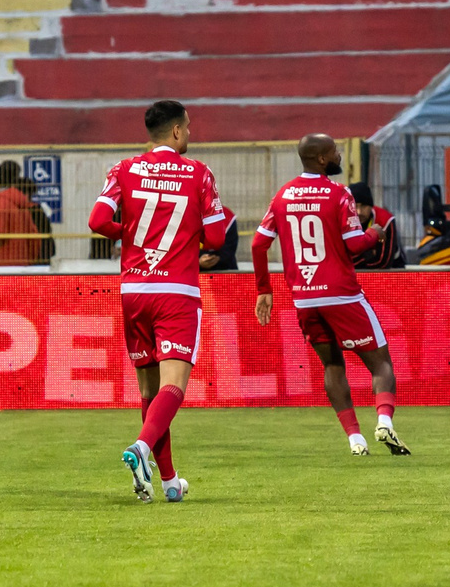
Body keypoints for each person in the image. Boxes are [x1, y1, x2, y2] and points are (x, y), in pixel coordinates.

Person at [87, 98, 233, 503]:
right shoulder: (198, 173)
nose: (191, 132)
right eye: (188, 126)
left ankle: (168, 481)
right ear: (176, 131)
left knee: (150, 389)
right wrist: (187, 236)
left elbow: (98, 221)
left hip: (134, 291)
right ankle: (141, 448)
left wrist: (131, 233)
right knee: (174, 384)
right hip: (177, 291)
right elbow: (218, 239)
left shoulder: (123, 169)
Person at [253, 133, 410, 457]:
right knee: (381, 365)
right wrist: (375, 233)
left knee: (332, 366)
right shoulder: (338, 195)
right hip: (342, 295)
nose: (339, 156)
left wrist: (264, 289)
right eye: (335, 152)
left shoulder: (282, 196)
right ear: (322, 159)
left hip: (305, 299)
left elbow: (258, 244)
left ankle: (355, 440)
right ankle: (384, 422)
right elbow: (355, 244)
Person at [0, 159, 50, 265]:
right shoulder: (23, 205)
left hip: (1, 262)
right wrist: (30, 260)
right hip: (22, 262)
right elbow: (34, 236)